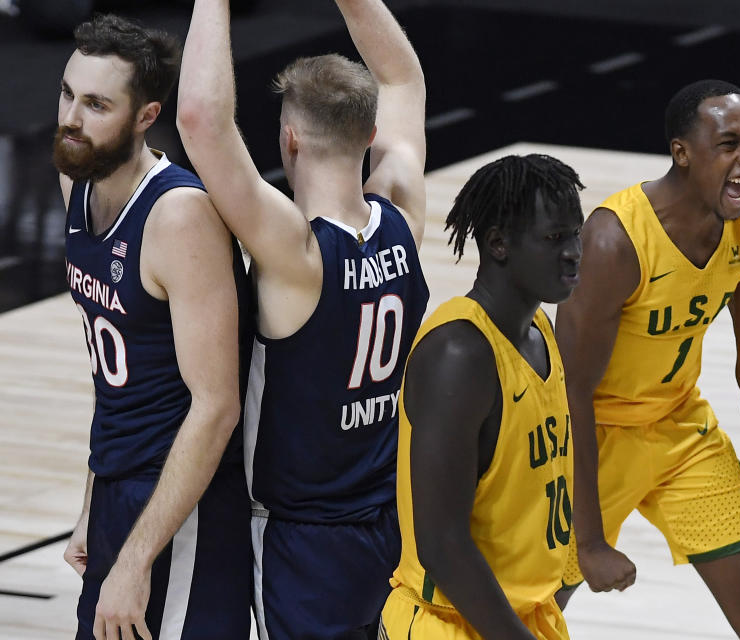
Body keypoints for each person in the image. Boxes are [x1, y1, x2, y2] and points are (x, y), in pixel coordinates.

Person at [176, 0, 428, 637]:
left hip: (304, 539)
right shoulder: (400, 212)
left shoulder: (298, 253)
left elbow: (202, 120)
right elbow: (402, 79)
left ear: (288, 139)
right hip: (391, 520)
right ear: (367, 135)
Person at [554, 79, 740, 638]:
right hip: (592, 438)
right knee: (532, 605)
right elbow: (569, 390)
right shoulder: (614, 239)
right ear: (682, 152)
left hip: (678, 430)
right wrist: (589, 540)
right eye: (728, 144)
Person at [55, 13, 253, 640]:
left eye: (95, 104)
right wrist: (94, 498)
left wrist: (137, 558)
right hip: (121, 489)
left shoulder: (179, 217)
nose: (71, 119)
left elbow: (217, 406)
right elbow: (115, 375)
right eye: (67, 94)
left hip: (183, 507)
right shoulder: (78, 182)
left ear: (145, 117)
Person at [380, 154, 583, 640]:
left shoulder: (539, 328)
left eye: (575, 233)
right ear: (498, 244)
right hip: (446, 625)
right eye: (555, 238)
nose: (575, 251)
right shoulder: (460, 353)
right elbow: (441, 544)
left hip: (517, 616)